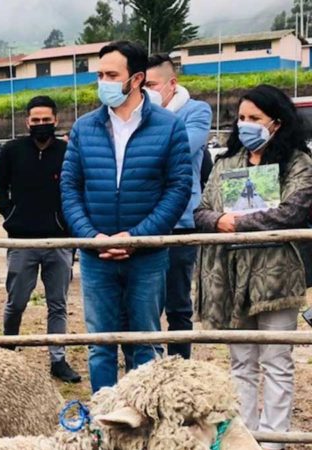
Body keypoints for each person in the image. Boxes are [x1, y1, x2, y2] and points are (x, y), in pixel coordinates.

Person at [60, 41, 192, 393]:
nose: (102, 81)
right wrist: (91, 236)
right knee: (100, 345)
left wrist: (137, 237)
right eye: (99, 74)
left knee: (144, 343)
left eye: (111, 75)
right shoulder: (84, 128)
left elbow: (177, 189)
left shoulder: (168, 126)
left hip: (146, 256)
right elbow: (70, 188)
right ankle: (105, 422)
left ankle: (142, 422)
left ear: (135, 79)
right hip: (96, 255)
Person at [195, 85, 312, 449]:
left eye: (254, 119)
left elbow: (292, 211)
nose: (246, 125)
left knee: (277, 360)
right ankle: (245, 437)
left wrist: (236, 223)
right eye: (241, 119)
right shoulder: (225, 163)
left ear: (276, 123)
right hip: (229, 275)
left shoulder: (298, 163)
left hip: (276, 278)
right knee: (241, 361)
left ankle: (274, 440)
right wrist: (218, 221)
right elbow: (201, 211)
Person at [0, 95, 81, 383]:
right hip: (22, 240)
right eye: (35, 120)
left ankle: (58, 359)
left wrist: (67, 225)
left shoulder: (67, 151)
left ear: (56, 120)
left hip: (58, 241)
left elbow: (77, 189)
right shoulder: (12, 150)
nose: (41, 125)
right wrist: (10, 216)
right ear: (27, 122)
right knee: (16, 301)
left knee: (57, 303)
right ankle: (8, 351)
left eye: (46, 120)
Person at [145, 53, 213, 360]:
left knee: (178, 304)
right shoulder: (135, 114)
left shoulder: (196, 111)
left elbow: (181, 149)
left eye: (152, 85)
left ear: (172, 83)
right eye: (140, 85)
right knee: (143, 304)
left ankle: (179, 367)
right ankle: (148, 366)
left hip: (181, 223)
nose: (145, 92)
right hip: (142, 221)